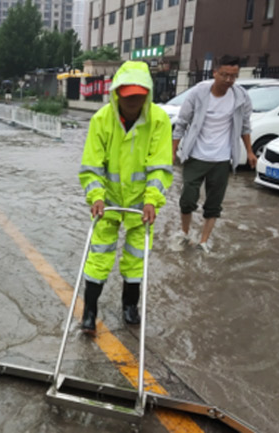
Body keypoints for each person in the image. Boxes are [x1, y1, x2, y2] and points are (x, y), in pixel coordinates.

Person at [79, 60, 173, 333]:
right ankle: (90, 310)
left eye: (139, 96)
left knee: (136, 256)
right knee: (99, 255)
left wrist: (151, 200)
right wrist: (96, 196)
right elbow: (91, 167)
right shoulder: (101, 120)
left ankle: (130, 305)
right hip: (107, 201)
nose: (133, 102)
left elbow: (160, 166)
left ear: (147, 94)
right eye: (128, 96)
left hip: (140, 204)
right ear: (117, 93)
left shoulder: (158, 120)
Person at [172, 55, 257, 253]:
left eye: (233, 76)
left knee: (214, 204)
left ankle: (203, 241)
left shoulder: (240, 97)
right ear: (215, 72)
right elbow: (182, 123)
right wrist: (173, 150)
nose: (229, 80)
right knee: (187, 200)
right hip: (195, 156)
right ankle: (185, 234)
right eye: (225, 75)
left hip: (221, 159)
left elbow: (245, 126)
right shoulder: (199, 93)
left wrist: (250, 152)